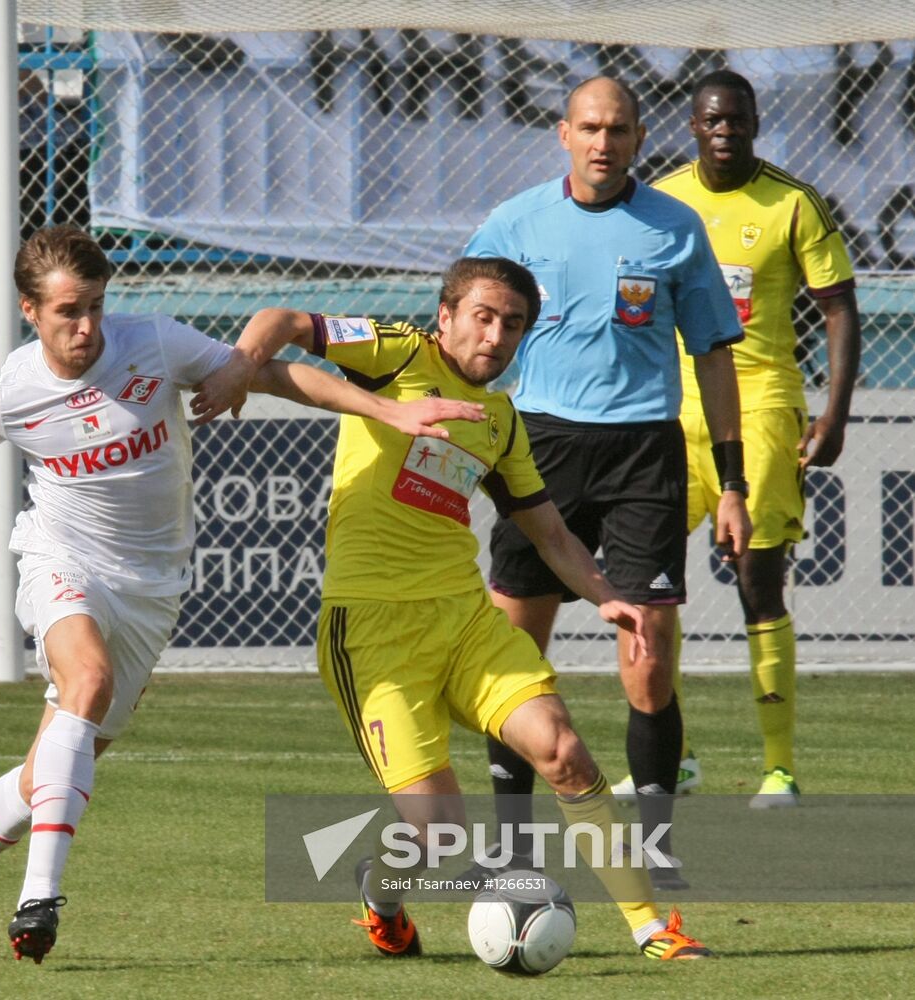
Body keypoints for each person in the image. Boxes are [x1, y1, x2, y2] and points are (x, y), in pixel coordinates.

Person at [0, 225, 483, 964]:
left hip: (151, 587)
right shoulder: (16, 391)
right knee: (86, 680)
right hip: (61, 558)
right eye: (68, 310)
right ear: (30, 311)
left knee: (51, 775)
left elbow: (275, 375)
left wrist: (384, 409)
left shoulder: (154, 345)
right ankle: (40, 896)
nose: (87, 326)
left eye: (96, 305)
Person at [230, 257, 714, 961]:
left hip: (464, 622)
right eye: (482, 317)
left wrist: (610, 596)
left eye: (512, 324)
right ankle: (381, 894)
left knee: (566, 753)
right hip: (371, 631)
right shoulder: (395, 351)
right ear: (447, 316)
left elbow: (549, 533)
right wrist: (240, 369)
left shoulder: (502, 420)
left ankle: (649, 927)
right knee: (435, 833)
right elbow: (281, 325)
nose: (495, 335)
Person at [462, 77, 751, 888]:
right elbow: (458, 324)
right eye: (589, 127)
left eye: (618, 129)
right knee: (514, 652)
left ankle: (656, 845)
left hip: (644, 455)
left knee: (647, 660)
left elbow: (715, 357)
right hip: (538, 448)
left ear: (638, 137)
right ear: (564, 134)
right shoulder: (514, 224)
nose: (603, 142)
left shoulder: (674, 228)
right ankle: (512, 845)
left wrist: (732, 484)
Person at [650, 70, 860, 808]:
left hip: (764, 405)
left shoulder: (793, 202)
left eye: (737, 119)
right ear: (693, 126)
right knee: (650, 586)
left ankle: (780, 769)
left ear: (755, 123)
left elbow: (838, 306)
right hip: (673, 411)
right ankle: (672, 758)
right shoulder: (663, 200)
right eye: (712, 120)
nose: (725, 131)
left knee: (757, 581)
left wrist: (833, 413)